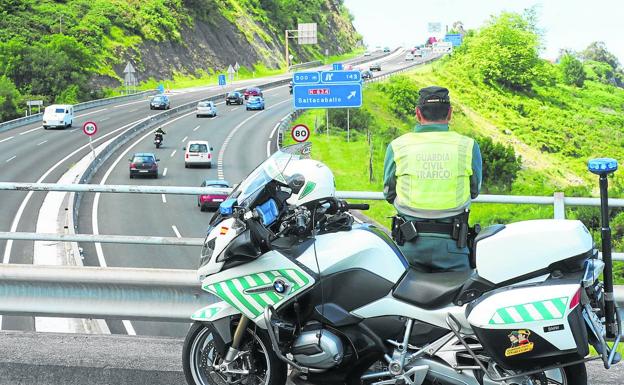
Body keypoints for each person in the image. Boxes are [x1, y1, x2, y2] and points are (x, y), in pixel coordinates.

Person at [383, 86, 482, 272]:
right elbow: (474, 190)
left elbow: (389, 192)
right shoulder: (468, 146)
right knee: (458, 297)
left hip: (407, 245)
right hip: (454, 247)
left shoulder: (398, 146)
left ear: (418, 113)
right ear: (450, 113)